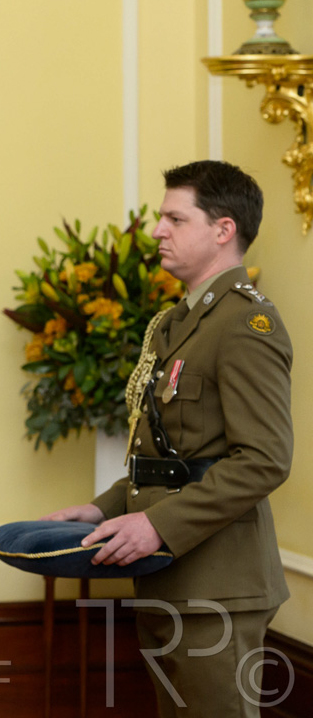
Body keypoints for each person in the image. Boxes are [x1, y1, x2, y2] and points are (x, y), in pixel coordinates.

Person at [44, 160, 293, 718]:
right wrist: (102, 508)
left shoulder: (245, 324)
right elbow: (170, 457)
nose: (158, 230)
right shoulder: (172, 323)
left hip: (218, 586)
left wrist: (157, 525)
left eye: (175, 219)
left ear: (223, 230)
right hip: (167, 579)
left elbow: (264, 460)